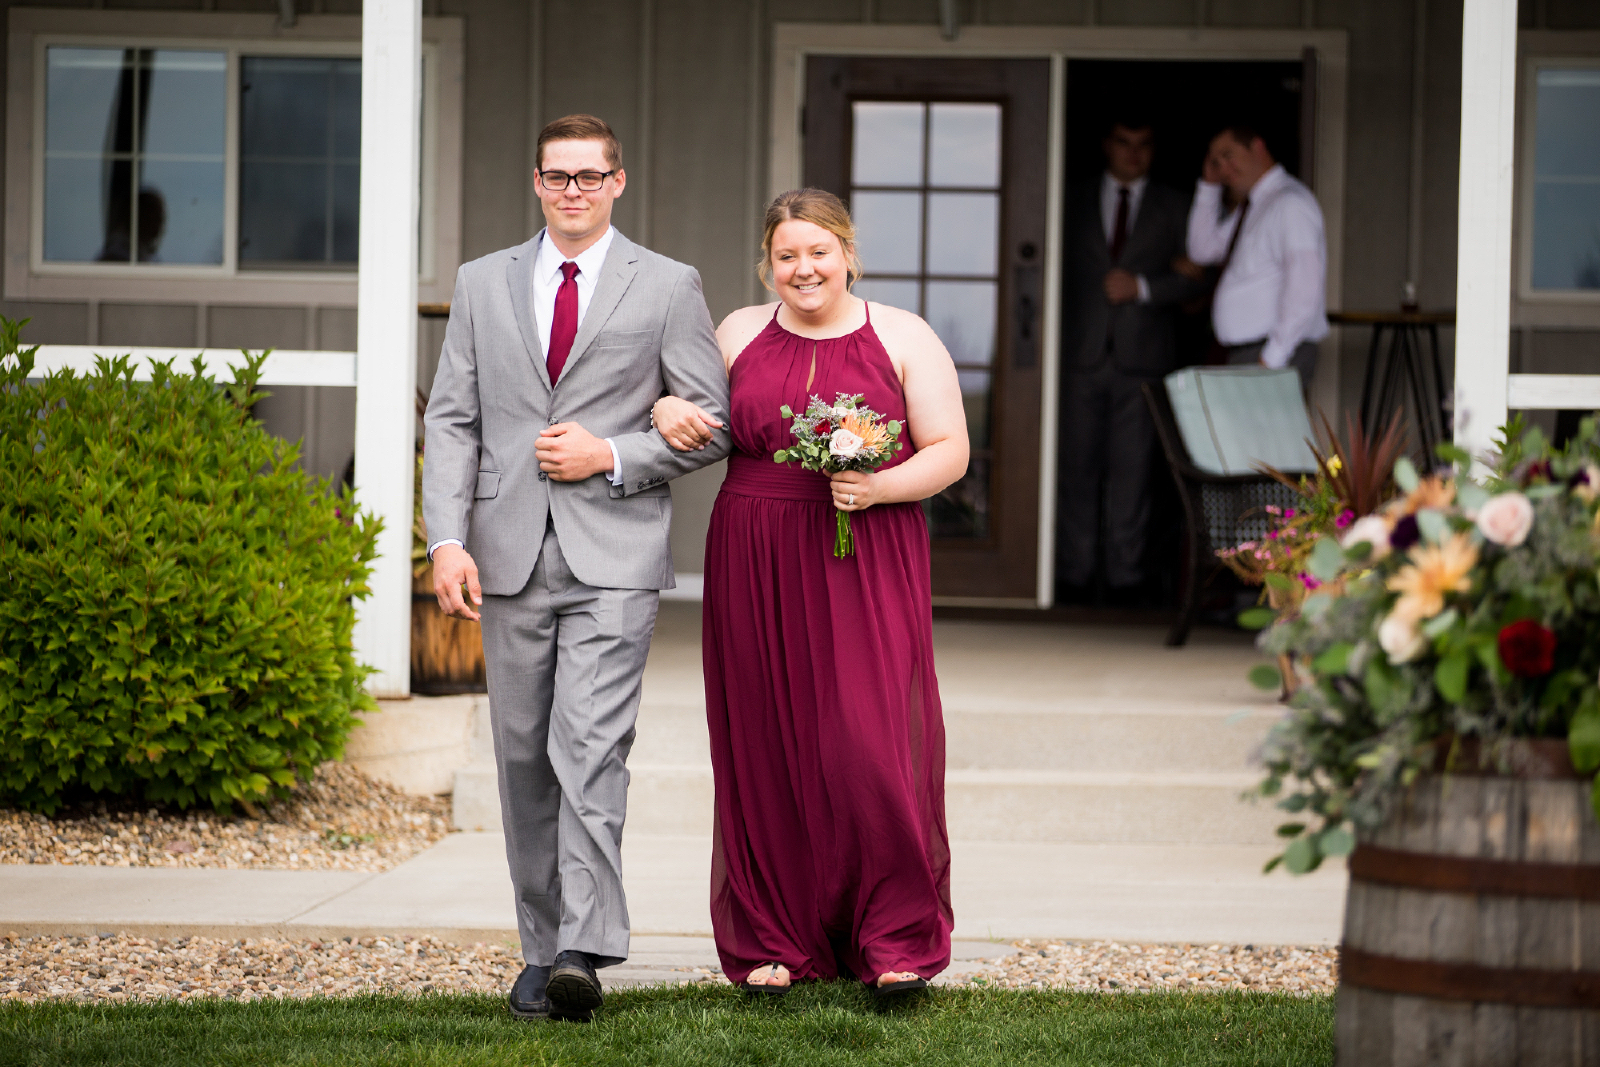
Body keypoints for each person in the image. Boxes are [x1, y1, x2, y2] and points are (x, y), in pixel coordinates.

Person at [422, 114, 731, 1023]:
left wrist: (612, 454)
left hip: (615, 554)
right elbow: (453, 420)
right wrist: (447, 539)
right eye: (559, 177)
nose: (574, 192)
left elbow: (710, 419)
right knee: (522, 759)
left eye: (590, 177)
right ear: (536, 181)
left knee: (589, 748)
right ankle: (538, 943)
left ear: (618, 183)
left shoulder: (669, 285)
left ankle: (581, 953)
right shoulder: (483, 282)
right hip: (506, 553)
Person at [651, 189, 967, 998]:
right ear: (769, 263)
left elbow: (952, 450)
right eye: (787, 255)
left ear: (848, 253)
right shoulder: (736, 333)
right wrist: (665, 404)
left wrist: (882, 485)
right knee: (764, 742)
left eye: (818, 252)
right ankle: (773, 939)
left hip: (866, 545)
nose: (804, 269)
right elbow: (695, 423)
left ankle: (895, 937)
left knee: (866, 742)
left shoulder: (903, 335)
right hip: (754, 548)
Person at [1059, 118, 1203, 605]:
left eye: (1144, 144)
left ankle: (1126, 582)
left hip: (1144, 360)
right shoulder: (1068, 196)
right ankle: (1072, 577)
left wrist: (1144, 286)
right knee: (1074, 470)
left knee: (1134, 475)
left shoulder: (1177, 205)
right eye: (1124, 142)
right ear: (1106, 145)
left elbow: (1199, 280)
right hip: (1078, 356)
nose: (1133, 154)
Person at [1186, 124, 1328, 389]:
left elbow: (1304, 287)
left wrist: (1272, 359)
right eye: (1216, 162)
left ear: (1258, 147)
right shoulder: (1255, 205)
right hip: (1250, 354)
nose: (1224, 169)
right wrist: (1209, 186)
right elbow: (1202, 249)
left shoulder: (1289, 203)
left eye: (1228, 156)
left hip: (1274, 354)